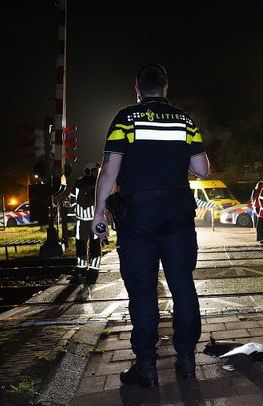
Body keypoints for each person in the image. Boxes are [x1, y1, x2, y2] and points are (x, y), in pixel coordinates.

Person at [91, 64, 210, 388]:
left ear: (137, 88)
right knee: (182, 285)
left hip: (138, 214)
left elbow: (109, 170)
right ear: (166, 87)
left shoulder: (125, 118)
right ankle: (186, 359)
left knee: (142, 291)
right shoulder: (185, 120)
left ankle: (146, 366)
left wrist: (99, 212)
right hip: (177, 212)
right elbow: (202, 169)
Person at [69, 161, 102, 284]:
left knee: (94, 246)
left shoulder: (98, 184)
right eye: (95, 170)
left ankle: (92, 271)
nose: (97, 172)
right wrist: (77, 212)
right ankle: (82, 269)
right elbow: (72, 199)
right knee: (81, 245)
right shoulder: (80, 185)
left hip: (93, 221)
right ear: (88, 171)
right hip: (82, 222)